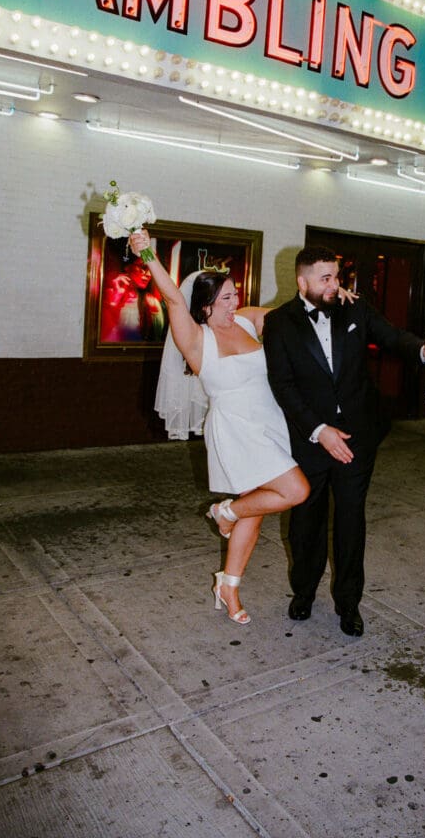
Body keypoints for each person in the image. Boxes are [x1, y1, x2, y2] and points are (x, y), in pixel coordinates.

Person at [128, 230, 356, 626]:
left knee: (258, 507)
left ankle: (228, 584)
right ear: (205, 307)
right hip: (236, 428)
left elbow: (296, 318)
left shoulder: (250, 321)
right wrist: (146, 252)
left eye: (235, 295)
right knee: (295, 490)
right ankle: (225, 510)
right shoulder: (196, 339)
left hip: (270, 423)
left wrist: (335, 297)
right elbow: (172, 297)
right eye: (226, 299)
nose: (235, 304)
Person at [262, 245, 425, 637]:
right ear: (302, 281)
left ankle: (349, 604)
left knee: (350, 520)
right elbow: (283, 385)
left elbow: (393, 337)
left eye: (336, 277)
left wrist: (424, 350)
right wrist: (318, 430)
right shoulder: (279, 323)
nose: (335, 285)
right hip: (310, 441)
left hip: (357, 439)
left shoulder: (354, 308)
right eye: (325, 278)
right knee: (305, 523)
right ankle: (304, 592)